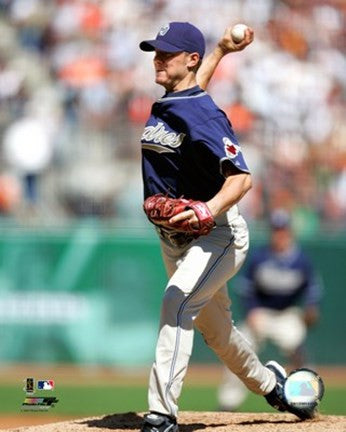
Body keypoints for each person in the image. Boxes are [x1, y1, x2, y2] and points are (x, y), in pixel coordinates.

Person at [138, 22, 314, 432]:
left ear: (189, 59)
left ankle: (161, 415)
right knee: (217, 333)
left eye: (166, 52)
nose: (157, 58)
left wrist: (207, 209)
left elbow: (241, 178)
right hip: (176, 241)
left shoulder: (205, 113)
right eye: (156, 51)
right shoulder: (175, 101)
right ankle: (273, 385)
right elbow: (192, 92)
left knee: (175, 302)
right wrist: (219, 50)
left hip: (217, 234)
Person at [218, 208, 323, 411]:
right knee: (237, 348)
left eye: (283, 230)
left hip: (287, 314)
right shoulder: (260, 256)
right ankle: (227, 404)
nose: (279, 235)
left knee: (295, 341)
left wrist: (311, 307)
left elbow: (313, 288)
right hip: (262, 313)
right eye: (276, 230)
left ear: (289, 232)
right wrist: (251, 311)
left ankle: (308, 397)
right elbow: (245, 288)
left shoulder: (302, 260)